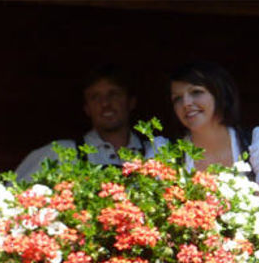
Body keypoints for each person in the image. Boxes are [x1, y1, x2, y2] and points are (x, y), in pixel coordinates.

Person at [15, 64, 164, 182]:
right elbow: (13, 198)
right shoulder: (61, 154)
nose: (105, 103)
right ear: (87, 108)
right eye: (95, 97)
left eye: (113, 94)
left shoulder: (156, 152)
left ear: (131, 102)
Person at [166, 61, 259, 185]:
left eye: (196, 92)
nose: (186, 103)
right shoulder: (166, 153)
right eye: (177, 98)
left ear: (219, 94)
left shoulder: (257, 142)